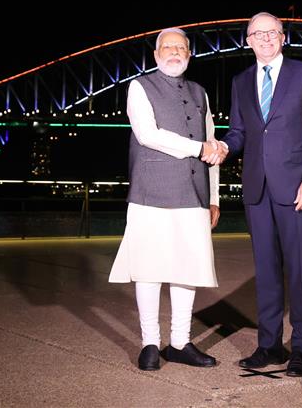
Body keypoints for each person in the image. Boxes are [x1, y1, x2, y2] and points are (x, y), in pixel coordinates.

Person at [220, 12, 302, 377]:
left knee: (299, 271)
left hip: (296, 187)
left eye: (273, 32)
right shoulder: (239, 81)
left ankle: (301, 348)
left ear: (283, 37)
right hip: (257, 188)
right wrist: (222, 146)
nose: (266, 38)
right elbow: (239, 132)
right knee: (266, 272)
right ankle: (269, 345)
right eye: (258, 33)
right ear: (248, 40)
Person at [108, 27, 226, 371]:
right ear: (156, 54)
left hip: (194, 195)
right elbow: (147, 135)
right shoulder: (139, 87)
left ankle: (178, 342)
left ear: (189, 55)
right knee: (149, 269)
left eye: (181, 48)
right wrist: (199, 148)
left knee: (186, 268)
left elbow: (212, 146)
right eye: (167, 47)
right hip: (151, 192)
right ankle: (149, 343)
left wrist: (214, 197)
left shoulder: (201, 93)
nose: (174, 52)